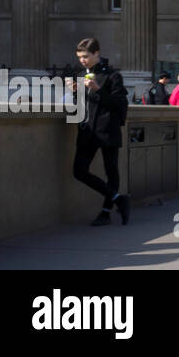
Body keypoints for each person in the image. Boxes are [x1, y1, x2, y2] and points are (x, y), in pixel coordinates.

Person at [66, 38, 130, 226]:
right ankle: (119, 199)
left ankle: (105, 212)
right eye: (79, 57)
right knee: (79, 171)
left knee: (111, 172)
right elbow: (80, 107)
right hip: (87, 131)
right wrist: (75, 92)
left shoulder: (113, 76)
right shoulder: (80, 75)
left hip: (107, 130)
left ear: (97, 53)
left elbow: (119, 105)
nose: (82, 60)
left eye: (86, 56)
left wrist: (98, 90)